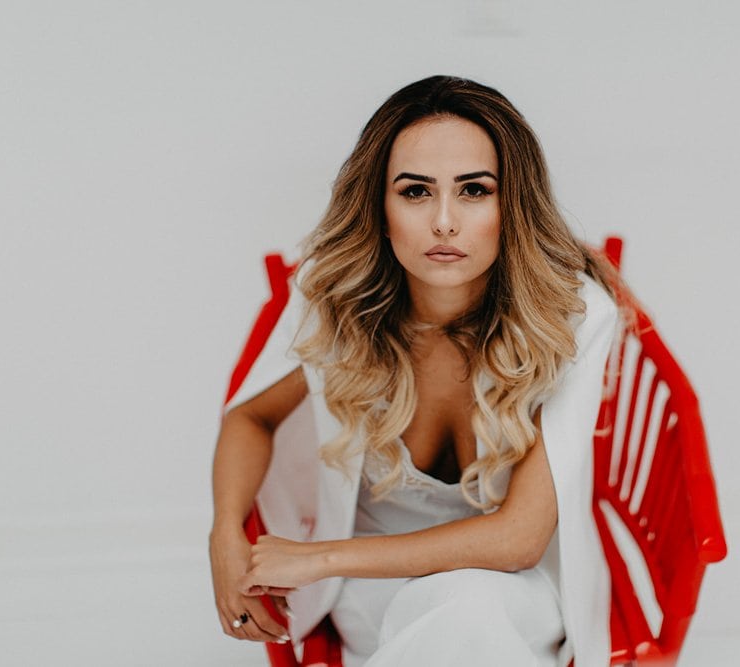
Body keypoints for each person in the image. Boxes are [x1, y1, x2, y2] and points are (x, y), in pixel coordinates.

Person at [209, 75, 636, 667]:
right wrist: (224, 535)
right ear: (379, 210)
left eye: (473, 190)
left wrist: (320, 558)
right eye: (414, 192)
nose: (443, 221)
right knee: (462, 627)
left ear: (510, 207)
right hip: (373, 591)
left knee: (470, 608)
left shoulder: (574, 318)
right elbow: (251, 415)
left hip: (514, 589)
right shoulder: (335, 297)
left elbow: (517, 539)